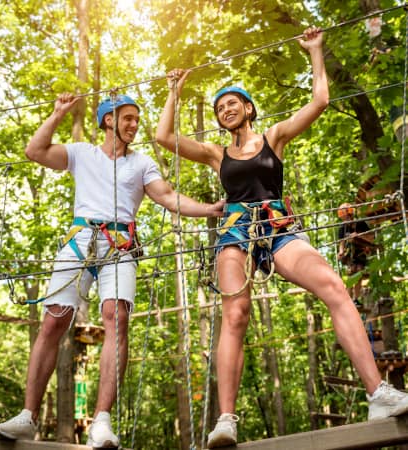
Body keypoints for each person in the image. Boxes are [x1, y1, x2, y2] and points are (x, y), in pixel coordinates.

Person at [156, 27, 408, 449]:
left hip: (276, 226)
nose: (225, 109)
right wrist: (175, 93)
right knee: (235, 314)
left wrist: (315, 51)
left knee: (332, 286)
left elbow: (320, 102)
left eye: (232, 103)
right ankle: (226, 420)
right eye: (220, 107)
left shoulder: (273, 138)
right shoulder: (217, 154)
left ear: (249, 109)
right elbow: (164, 138)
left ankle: (378, 393)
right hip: (236, 230)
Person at [0, 93, 224, 448]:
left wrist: (209, 209)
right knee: (53, 319)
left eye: (136, 119)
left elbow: (167, 196)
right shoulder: (82, 153)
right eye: (128, 118)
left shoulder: (142, 163)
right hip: (80, 239)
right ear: (109, 120)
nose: (134, 125)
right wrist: (56, 115)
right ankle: (27, 416)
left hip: (120, 243)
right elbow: (35, 151)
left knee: (117, 318)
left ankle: (102, 420)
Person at [337, 202, 374, 307]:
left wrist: (359, 235)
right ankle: (348, 299)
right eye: (343, 218)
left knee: (358, 273)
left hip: (361, 251)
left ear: (351, 215)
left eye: (347, 217)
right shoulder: (342, 228)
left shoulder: (361, 224)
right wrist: (341, 252)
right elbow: (342, 242)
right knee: (351, 273)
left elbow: (371, 237)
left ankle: (356, 299)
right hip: (350, 254)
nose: (345, 220)